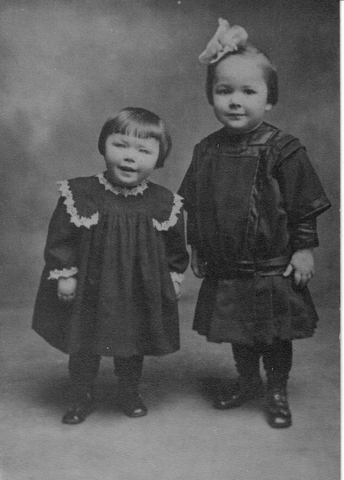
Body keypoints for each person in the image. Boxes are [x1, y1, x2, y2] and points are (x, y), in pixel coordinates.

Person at [178, 19, 331, 428]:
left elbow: (302, 205)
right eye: (223, 91)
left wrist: (303, 248)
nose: (235, 101)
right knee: (240, 332)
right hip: (228, 266)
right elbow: (194, 205)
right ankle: (247, 382)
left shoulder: (283, 149)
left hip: (272, 264)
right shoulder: (205, 150)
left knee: (274, 334)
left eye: (249, 92)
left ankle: (276, 390)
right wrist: (197, 247)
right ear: (211, 96)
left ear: (269, 100)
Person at [32, 107, 189, 424]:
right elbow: (61, 238)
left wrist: (173, 276)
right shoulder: (81, 194)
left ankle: (129, 391)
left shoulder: (163, 202)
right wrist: (65, 273)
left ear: (159, 158)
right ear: (103, 146)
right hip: (92, 287)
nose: (131, 157)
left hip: (136, 289)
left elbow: (175, 245)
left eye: (143, 150)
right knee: (84, 343)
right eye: (121, 145)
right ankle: (81, 395)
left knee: (132, 344)